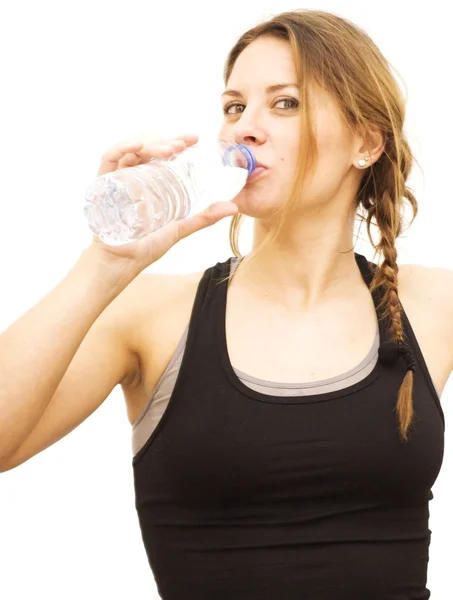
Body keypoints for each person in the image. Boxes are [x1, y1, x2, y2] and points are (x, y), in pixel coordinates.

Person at [0, 8, 449, 599]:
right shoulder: (154, 314)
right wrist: (104, 264)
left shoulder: (431, 303)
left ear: (365, 141)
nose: (245, 128)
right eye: (235, 106)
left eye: (284, 103)